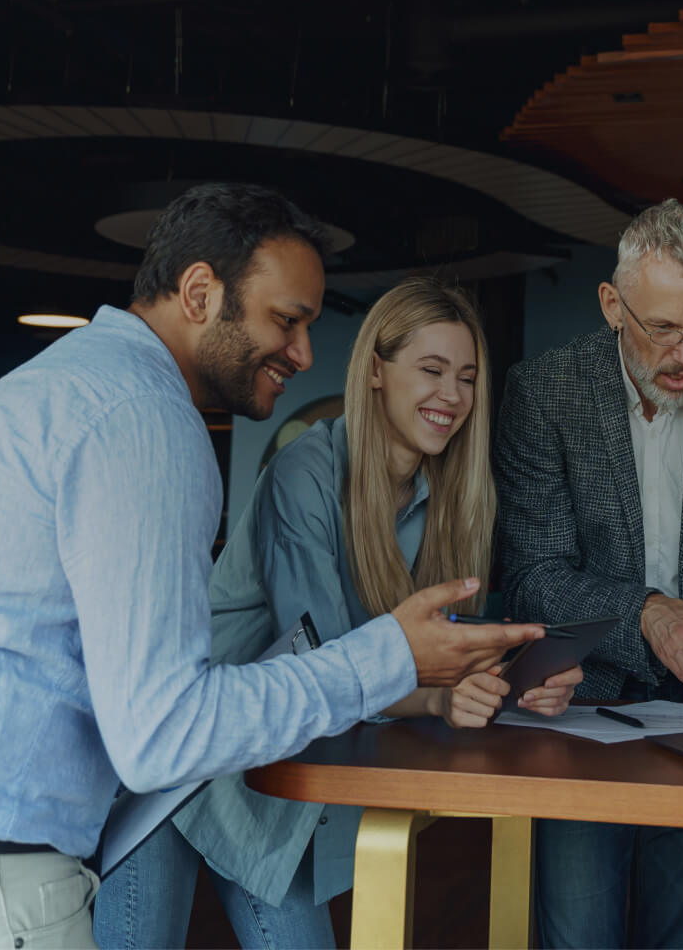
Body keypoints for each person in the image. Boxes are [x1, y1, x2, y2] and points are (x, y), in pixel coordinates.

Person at [0, 184, 542, 949]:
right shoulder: (146, 423)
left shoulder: (65, 387)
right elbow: (162, 735)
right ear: (200, 294)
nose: (302, 351)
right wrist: (395, 658)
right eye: (286, 320)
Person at [96, 278, 585, 948]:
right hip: (191, 770)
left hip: (281, 787)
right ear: (377, 372)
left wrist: (519, 679)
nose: (452, 396)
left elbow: (443, 646)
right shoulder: (307, 472)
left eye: (467, 378)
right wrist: (443, 697)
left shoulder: (456, 496)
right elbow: (330, 662)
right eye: (432, 371)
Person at [494, 199, 683, 948]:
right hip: (577, 712)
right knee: (580, 935)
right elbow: (533, 575)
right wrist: (647, 613)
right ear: (611, 306)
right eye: (663, 328)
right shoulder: (544, 394)